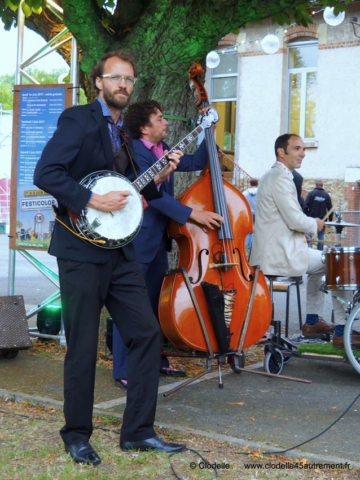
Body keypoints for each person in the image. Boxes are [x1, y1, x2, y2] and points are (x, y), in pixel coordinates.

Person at [33, 50, 187, 465]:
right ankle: (77, 435)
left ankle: (137, 431)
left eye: (129, 79)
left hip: (119, 252)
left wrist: (159, 174)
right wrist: (91, 199)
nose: (123, 84)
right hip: (80, 250)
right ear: (98, 82)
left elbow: (141, 193)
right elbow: (46, 173)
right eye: (115, 77)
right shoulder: (79, 119)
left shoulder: (124, 134)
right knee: (82, 346)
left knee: (146, 333)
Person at [112, 99, 223, 388]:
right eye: (160, 119)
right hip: (137, 241)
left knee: (154, 307)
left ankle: (155, 360)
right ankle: (123, 369)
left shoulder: (165, 150)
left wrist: (208, 128)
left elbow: (197, 162)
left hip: (158, 242)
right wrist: (193, 215)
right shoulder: (134, 152)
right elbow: (155, 197)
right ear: (144, 127)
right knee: (131, 308)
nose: (166, 122)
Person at [249, 133, 358, 348]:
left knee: (326, 261)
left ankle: (312, 321)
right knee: (336, 262)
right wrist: (314, 224)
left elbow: (281, 219)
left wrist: (302, 233)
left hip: (279, 248)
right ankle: (341, 331)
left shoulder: (277, 175)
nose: (303, 153)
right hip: (278, 254)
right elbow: (293, 218)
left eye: (304, 149)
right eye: (297, 148)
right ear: (282, 152)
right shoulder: (279, 177)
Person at [303, 180, 333, 251]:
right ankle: (320, 253)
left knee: (309, 236)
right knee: (321, 237)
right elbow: (330, 209)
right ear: (322, 186)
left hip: (311, 220)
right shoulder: (326, 195)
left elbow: (304, 207)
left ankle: (309, 252)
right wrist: (330, 221)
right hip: (322, 221)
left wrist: (306, 216)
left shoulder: (311, 194)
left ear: (315, 185)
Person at [242, 178, 258, 251]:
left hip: (248, 212)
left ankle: (249, 246)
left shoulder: (244, 193)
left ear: (250, 184)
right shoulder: (260, 192)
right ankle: (256, 246)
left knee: (250, 229)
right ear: (257, 184)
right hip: (258, 212)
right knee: (258, 229)